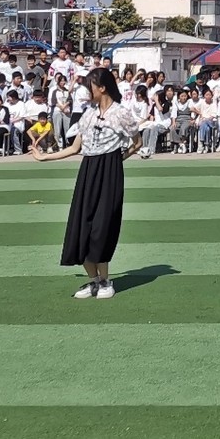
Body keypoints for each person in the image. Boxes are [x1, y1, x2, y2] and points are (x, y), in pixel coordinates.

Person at [33, 68, 141, 300]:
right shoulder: (88, 114)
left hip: (110, 171)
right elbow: (75, 148)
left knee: (102, 226)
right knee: (81, 225)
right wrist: (44, 157)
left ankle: (105, 281)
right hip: (88, 170)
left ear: (102, 87)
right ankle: (94, 281)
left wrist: (119, 159)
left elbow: (137, 142)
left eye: (89, 85)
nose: (85, 90)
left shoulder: (121, 113)